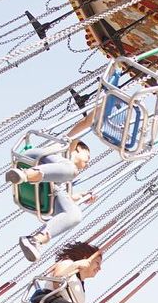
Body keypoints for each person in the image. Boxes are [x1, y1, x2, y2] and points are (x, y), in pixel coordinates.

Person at [6, 111, 97, 261]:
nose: (88, 163)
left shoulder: (64, 178)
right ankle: (26, 174)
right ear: (79, 149)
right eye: (88, 157)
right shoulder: (66, 148)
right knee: (70, 169)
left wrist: (80, 197)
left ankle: (35, 240)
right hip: (36, 159)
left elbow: (61, 200)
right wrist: (103, 104)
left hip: (44, 187)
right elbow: (86, 123)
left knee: (75, 215)